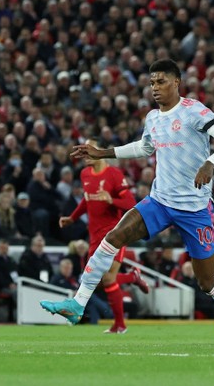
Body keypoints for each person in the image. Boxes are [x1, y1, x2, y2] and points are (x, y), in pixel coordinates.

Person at [41, 59, 214, 345]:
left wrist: (210, 163)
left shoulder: (194, 110)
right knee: (113, 238)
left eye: (161, 81)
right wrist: (103, 153)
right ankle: (78, 303)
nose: (155, 88)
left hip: (195, 209)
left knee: (206, 282)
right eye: (151, 83)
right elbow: (145, 147)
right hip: (159, 201)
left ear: (177, 82)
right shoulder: (153, 118)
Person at [56, 138, 150, 334]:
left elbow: (131, 202)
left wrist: (112, 199)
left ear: (98, 151)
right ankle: (132, 277)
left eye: (89, 150)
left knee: (107, 279)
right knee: (93, 281)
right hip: (94, 236)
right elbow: (87, 199)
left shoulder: (114, 174)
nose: (85, 155)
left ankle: (120, 325)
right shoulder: (84, 174)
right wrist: (72, 218)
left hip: (115, 233)